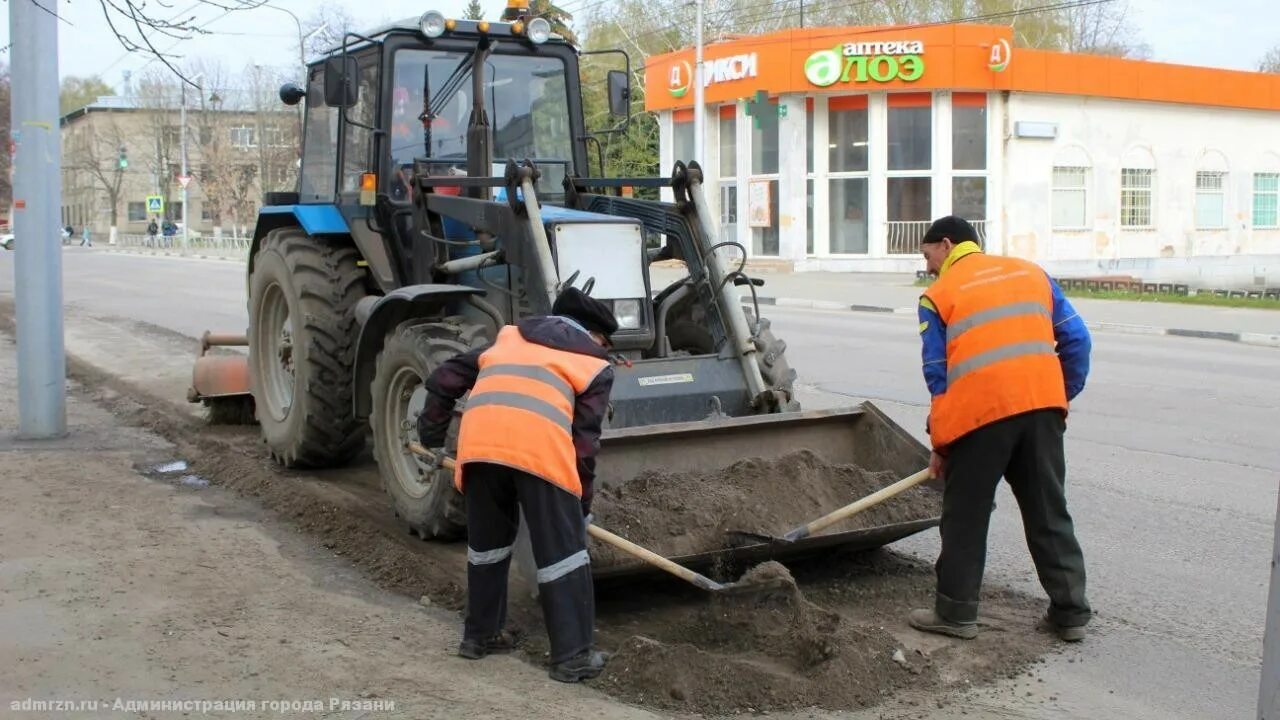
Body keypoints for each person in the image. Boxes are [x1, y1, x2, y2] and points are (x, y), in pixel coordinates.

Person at [417, 287, 618, 683]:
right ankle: (572, 657)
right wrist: (580, 502)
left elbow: (445, 377)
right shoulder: (592, 365)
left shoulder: (508, 338)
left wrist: (430, 436)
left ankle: (480, 636)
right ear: (596, 337)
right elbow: (584, 444)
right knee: (564, 556)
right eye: (605, 343)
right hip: (540, 455)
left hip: (481, 449)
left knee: (487, 548)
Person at [908, 215, 1093, 643]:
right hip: (1042, 411)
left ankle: (955, 613)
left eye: (927, 254)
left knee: (966, 516)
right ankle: (1070, 613)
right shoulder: (1032, 274)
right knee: (1049, 511)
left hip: (980, 418)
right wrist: (1055, 395)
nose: (928, 266)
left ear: (947, 244)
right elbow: (1078, 341)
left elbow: (938, 376)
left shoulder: (938, 295)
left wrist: (942, 441)